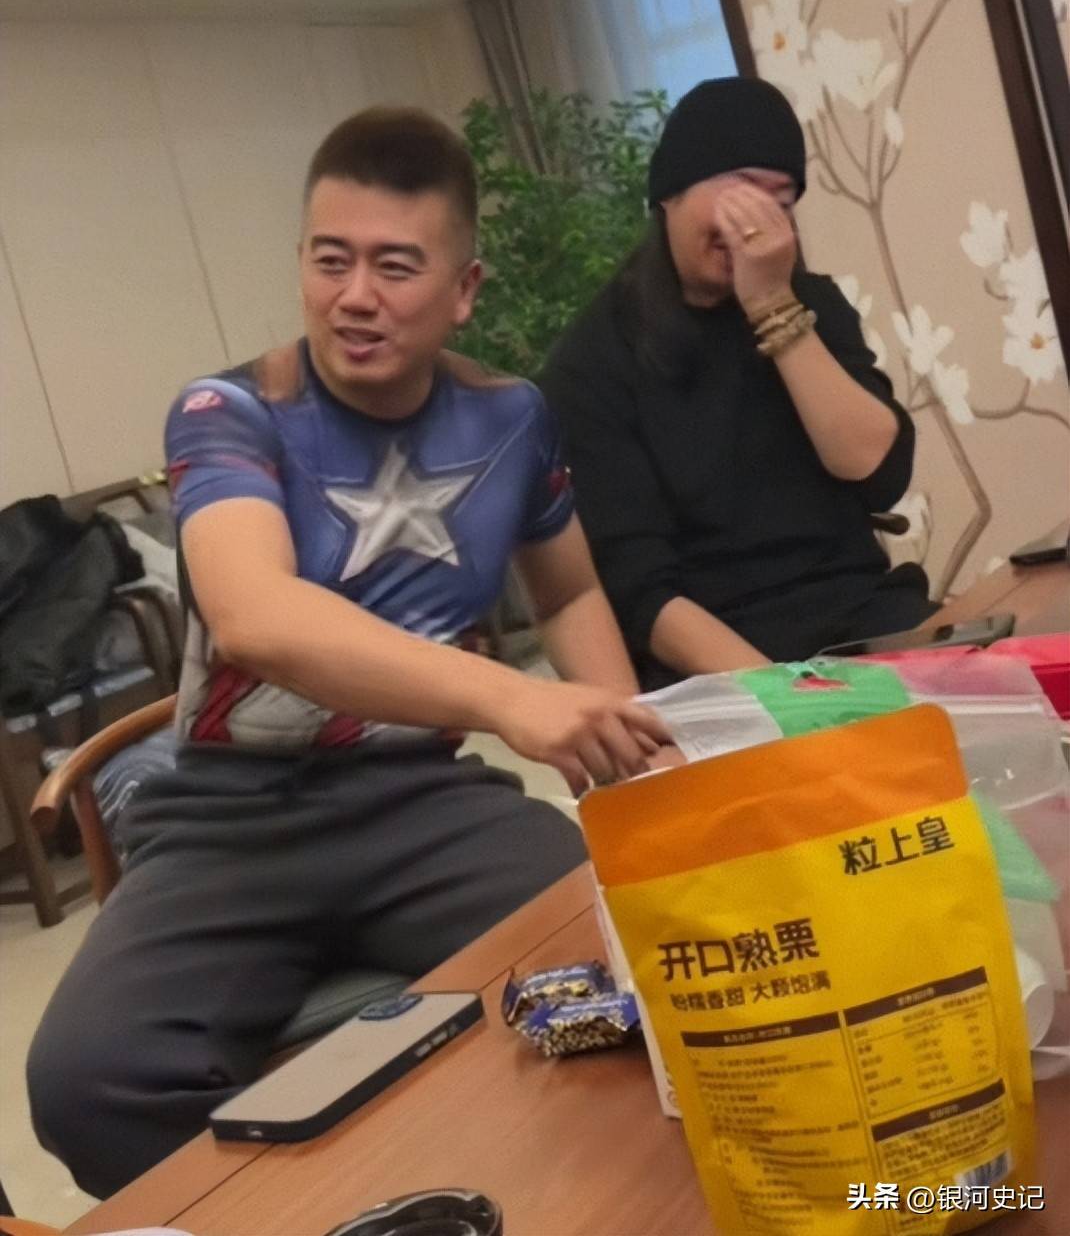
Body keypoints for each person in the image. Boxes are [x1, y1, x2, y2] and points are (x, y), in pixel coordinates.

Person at [27, 108, 668, 1198]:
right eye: (330, 261)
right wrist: (508, 699)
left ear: (463, 289)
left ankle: (533, 1189)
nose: (354, 295)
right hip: (232, 820)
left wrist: (621, 760)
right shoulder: (231, 411)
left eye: (394, 266)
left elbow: (566, 591)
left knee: (628, 964)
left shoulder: (512, 419)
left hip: (421, 803)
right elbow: (256, 617)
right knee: (86, 1082)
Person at [541, 77, 937, 689]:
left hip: (862, 617)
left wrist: (774, 307)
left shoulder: (812, 303)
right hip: (717, 664)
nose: (758, 223)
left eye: (781, 201)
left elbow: (877, 471)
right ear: (670, 193)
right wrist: (793, 695)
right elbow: (642, 593)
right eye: (742, 191)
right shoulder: (591, 363)